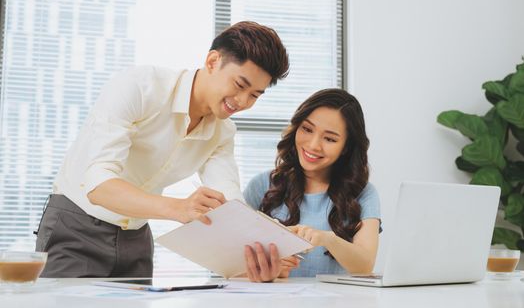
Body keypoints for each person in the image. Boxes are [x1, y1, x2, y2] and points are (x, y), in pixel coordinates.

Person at [34, 21, 289, 278]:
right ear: (213, 62)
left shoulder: (223, 132)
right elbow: (98, 185)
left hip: (136, 238)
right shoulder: (140, 87)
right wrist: (178, 208)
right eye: (239, 85)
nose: (243, 102)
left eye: (255, 95)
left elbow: (228, 202)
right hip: (76, 226)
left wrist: (268, 246)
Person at [242, 88, 381, 282]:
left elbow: (365, 266)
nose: (314, 145)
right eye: (307, 129)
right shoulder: (262, 185)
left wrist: (327, 239)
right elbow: (228, 264)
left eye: (330, 139)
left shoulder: (363, 193)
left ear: (346, 147)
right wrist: (269, 269)